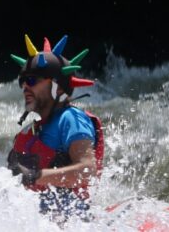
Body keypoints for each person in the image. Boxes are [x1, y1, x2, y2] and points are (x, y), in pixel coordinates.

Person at [6, 34, 104, 223]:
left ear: (57, 88)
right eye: (23, 81)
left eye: (33, 80)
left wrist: (40, 176)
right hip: (40, 217)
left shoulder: (71, 119)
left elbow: (87, 170)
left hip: (72, 217)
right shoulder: (33, 130)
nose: (25, 86)